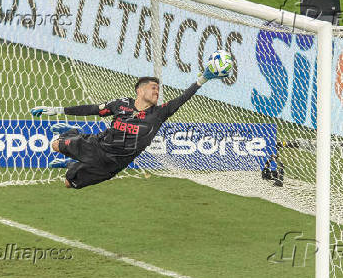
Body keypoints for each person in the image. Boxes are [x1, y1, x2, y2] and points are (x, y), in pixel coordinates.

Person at [31, 60, 231, 189]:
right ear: (139, 91)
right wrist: (57, 109)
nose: (156, 92)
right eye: (153, 88)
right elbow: (93, 109)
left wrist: (203, 79)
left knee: (68, 183)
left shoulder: (159, 114)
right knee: (55, 144)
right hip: (96, 146)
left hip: (112, 165)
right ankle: (73, 134)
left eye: (158, 90)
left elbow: (183, 98)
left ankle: (73, 163)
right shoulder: (121, 104)